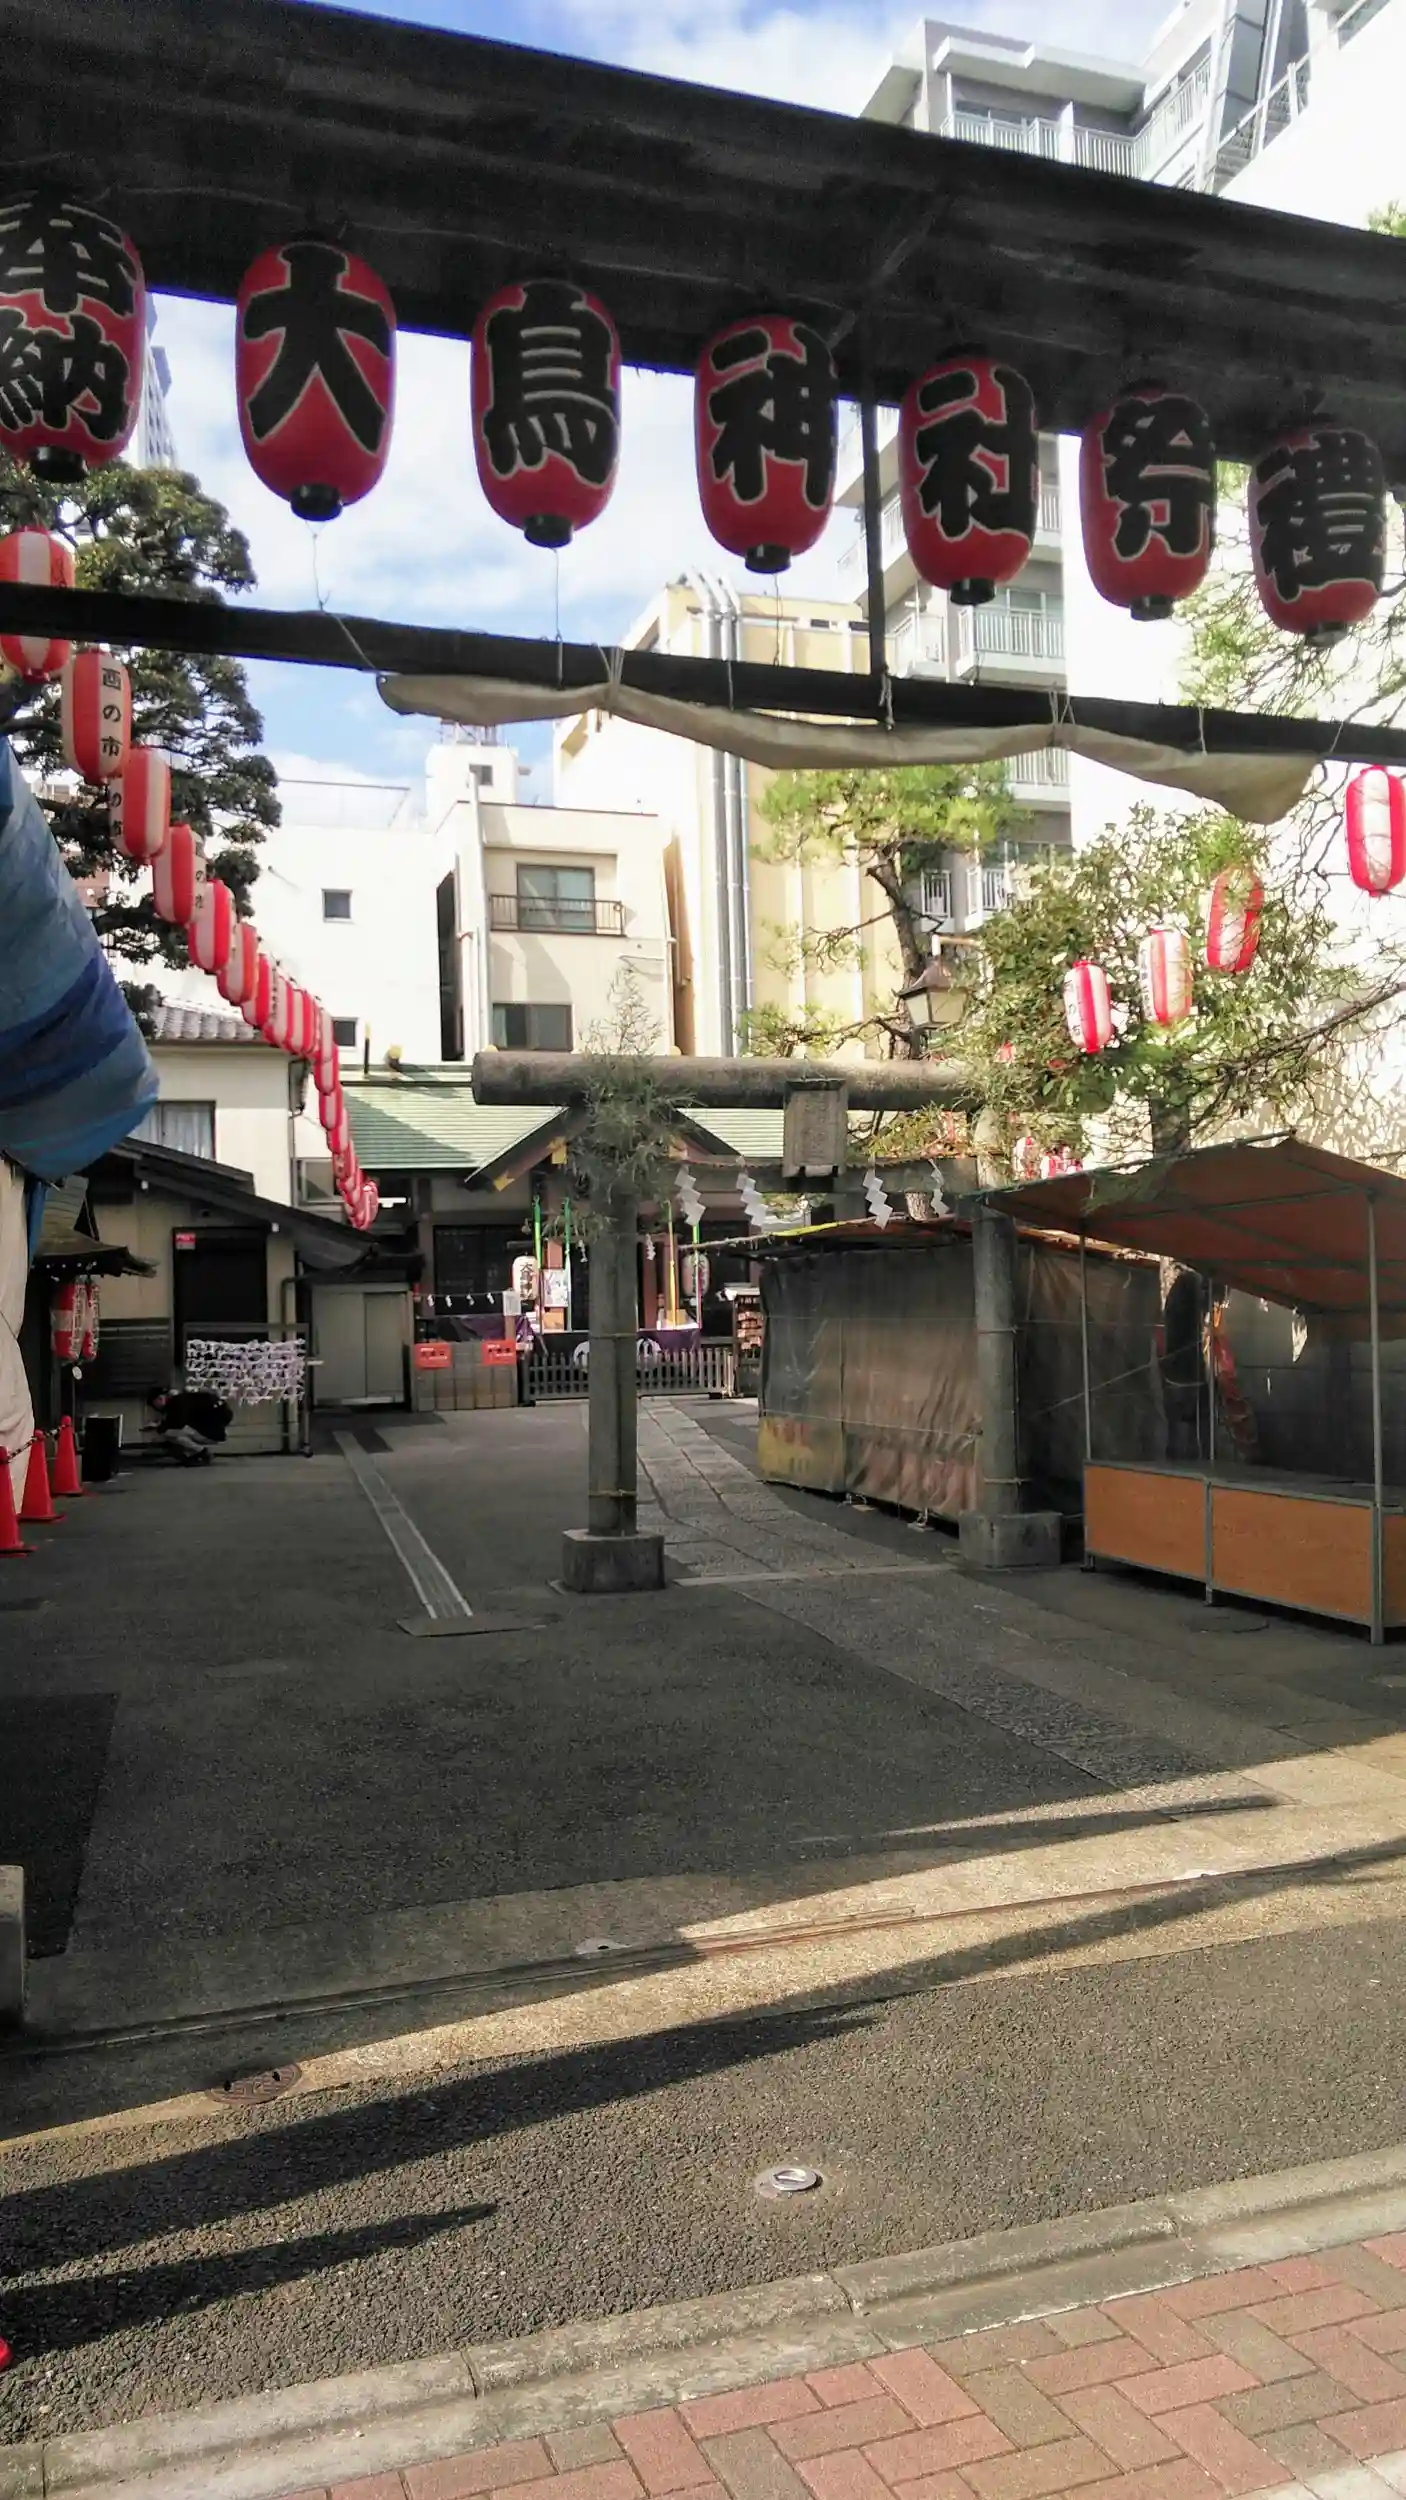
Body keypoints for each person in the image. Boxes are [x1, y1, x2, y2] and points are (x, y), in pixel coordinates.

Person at [145, 1383, 233, 1465]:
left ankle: (202, 1452)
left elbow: (178, 1423)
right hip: (218, 1430)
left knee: (170, 1434)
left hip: (211, 1433)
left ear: (159, 1399)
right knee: (177, 1432)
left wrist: (159, 1428)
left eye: (154, 1404)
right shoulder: (183, 1398)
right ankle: (194, 1453)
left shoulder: (177, 1402)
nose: (155, 1407)